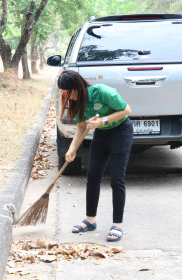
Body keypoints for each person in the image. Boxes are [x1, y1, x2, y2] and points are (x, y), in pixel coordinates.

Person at [58, 70, 133, 242]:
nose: (67, 96)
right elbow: (81, 126)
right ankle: (90, 220)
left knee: (117, 179)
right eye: (64, 93)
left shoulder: (103, 92)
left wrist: (102, 121)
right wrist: (72, 149)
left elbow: (127, 110)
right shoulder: (78, 103)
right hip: (102, 135)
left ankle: (117, 225)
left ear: (77, 87)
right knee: (92, 176)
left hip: (121, 132)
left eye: (68, 92)